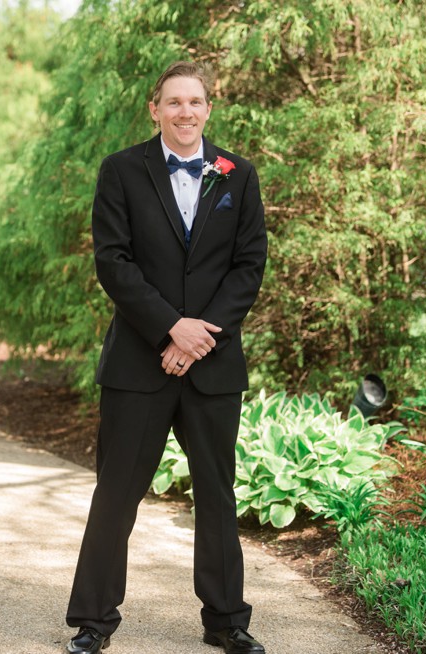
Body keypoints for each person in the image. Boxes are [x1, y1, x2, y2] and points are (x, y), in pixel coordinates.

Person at [64, 62, 268, 654]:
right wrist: (169, 331)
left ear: (209, 107)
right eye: (173, 102)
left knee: (218, 494)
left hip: (213, 366)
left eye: (195, 102)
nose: (185, 113)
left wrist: (200, 338)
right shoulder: (122, 171)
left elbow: (248, 265)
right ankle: (93, 622)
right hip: (137, 363)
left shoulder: (238, 175)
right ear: (154, 109)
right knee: (116, 494)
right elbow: (114, 263)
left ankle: (227, 621)